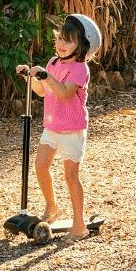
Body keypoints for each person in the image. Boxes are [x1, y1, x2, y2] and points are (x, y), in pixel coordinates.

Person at [16, 13, 100, 237]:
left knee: (70, 176)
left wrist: (45, 76)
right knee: (41, 166)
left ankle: (79, 225)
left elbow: (64, 93)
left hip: (72, 129)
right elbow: (43, 91)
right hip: (52, 126)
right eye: (60, 39)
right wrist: (30, 77)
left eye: (68, 41)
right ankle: (52, 206)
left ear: (82, 46)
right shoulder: (53, 63)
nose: (61, 45)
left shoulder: (80, 69)